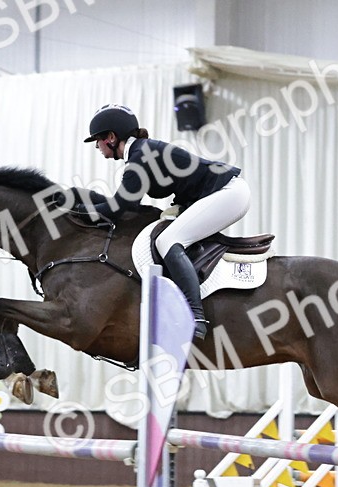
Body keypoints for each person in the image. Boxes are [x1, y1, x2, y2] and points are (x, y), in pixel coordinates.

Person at [83, 104, 250, 340]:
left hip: (229, 193)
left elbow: (120, 207)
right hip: (223, 192)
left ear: (111, 137)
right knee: (167, 231)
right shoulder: (141, 153)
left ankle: (196, 316)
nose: (97, 147)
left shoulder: (139, 157)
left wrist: (77, 210)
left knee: (168, 240)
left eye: (97, 141)